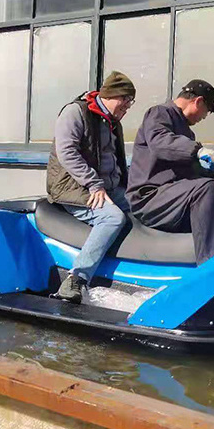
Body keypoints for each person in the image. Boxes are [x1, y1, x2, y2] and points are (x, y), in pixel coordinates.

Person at [47, 71, 136, 304]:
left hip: (107, 187)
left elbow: (116, 160)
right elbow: (67, 152)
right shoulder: (75, 112)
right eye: (125, 99)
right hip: (75, 187)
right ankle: (76, 279)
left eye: (131, 101)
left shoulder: (112, 122)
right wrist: (94, 184)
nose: (128, 106)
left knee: (144, 205)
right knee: (112, 218)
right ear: (110, 95)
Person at [126, 79, 214, 265]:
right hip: (149, 197)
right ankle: (213, 265)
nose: (204, 117)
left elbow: (188, 172)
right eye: (207, 111)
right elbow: (160, 142)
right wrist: (197, 151)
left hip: (171, 196)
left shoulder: (187, 133)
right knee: (206, 189)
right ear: (198, 101)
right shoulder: (159, 113)